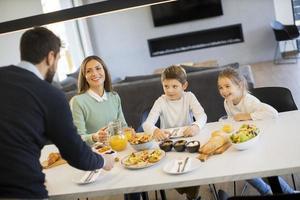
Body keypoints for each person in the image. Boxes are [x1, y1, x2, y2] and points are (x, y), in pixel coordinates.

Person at [0, 27, 114, 199]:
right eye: (58, 59)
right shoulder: (50, 95)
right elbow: (76, 154)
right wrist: (104, 161)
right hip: (21, 190)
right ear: (50, 57)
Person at [217, 67, 295, 195]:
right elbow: (233, 120)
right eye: (220, 87)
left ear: (239, 85)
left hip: (260, 141)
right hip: (245, 142)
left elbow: (272, 113)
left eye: (227, 86)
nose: (224, 91)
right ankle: (265, 191)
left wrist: (248, 116)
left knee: (263, 171)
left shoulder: (249, 101)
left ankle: (288, 192)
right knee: (241, 168)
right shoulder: (227, 102)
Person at [143, 65, 207, 200]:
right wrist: (155, 130)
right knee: (165, 171)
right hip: (168, 144)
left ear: (184, 86)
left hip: (188, 140)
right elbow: (147, 124)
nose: (170, 90)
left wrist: (196, 126)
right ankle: (189, 190)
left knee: (194, 165)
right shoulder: (160, 101)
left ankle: (191, 190)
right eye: (166, 86)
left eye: (174, 86)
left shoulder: (189, 97)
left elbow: (202, 116)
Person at [70, 55, 134, 146]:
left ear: (105, 71)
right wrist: (94, 137)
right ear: (84, 76)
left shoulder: (114, 96)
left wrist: (128, 131)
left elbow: (123, 127)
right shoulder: (77, 101)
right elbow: (77, 137)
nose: (94, 73)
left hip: (117, 147)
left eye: (98, 68)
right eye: (88, 71)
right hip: (94, 153)